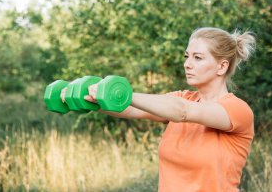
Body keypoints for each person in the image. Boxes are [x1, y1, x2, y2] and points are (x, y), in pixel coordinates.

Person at [84, 27, 256, 192]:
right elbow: (129, 110)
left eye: (197, 58)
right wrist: (85, 97)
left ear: (222, 67)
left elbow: (183, 112)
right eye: (186, 56)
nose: (187, 64)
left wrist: (121, 94)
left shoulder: (237, 110)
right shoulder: (182, 98)